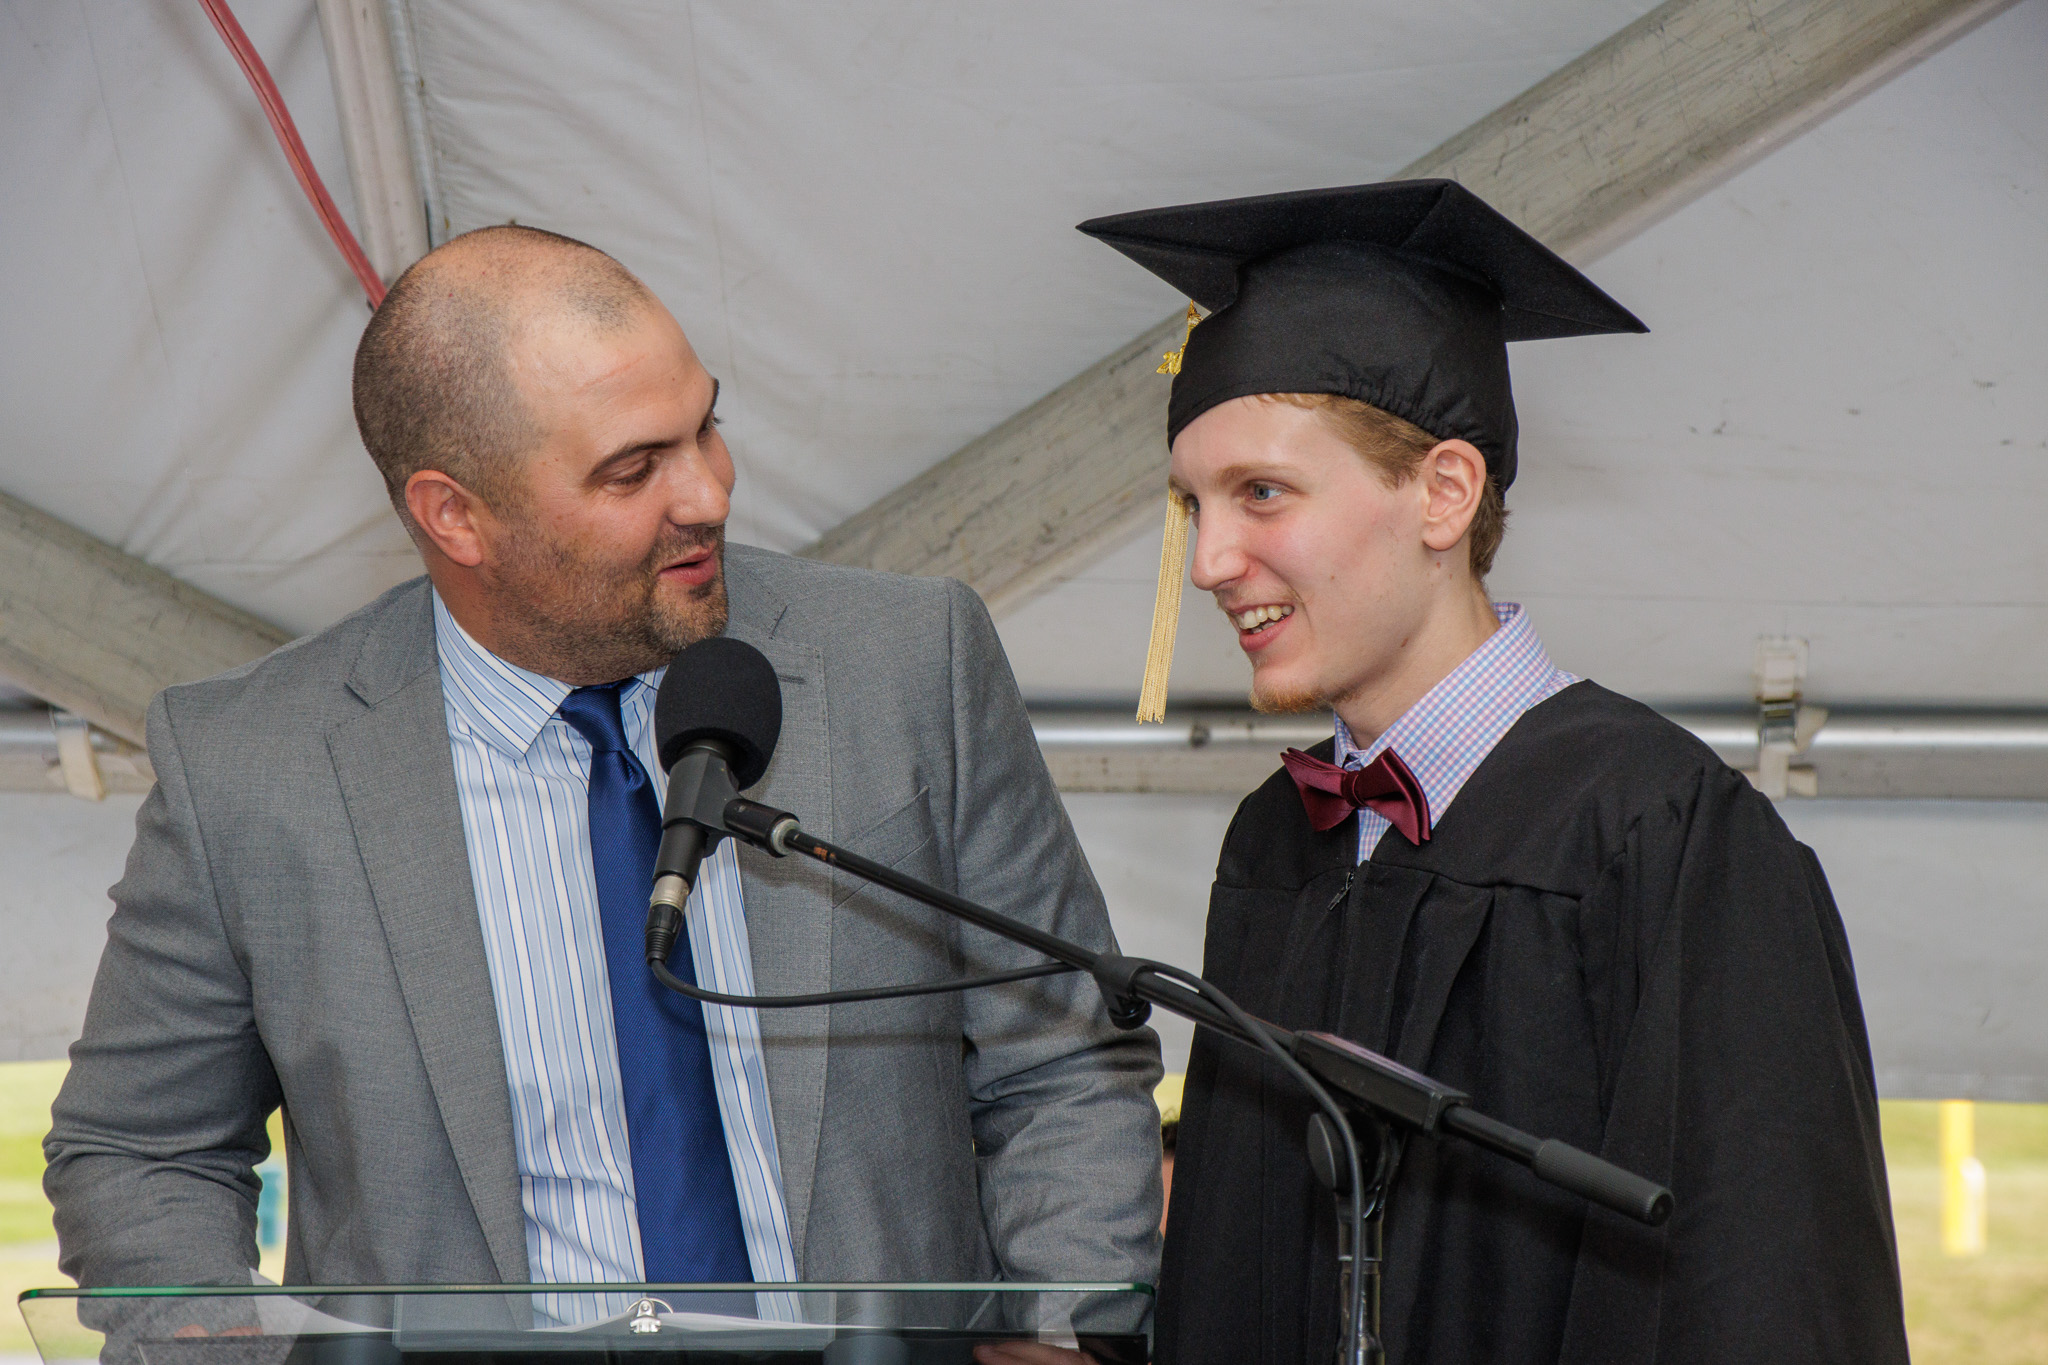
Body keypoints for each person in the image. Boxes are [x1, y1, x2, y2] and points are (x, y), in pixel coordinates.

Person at [44, 226, 1163, 1303]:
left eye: (706, 427)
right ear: (455, 516)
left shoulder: (907, 662)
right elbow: (140, 1151)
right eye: (633, 471)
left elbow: (1063, 1058)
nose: (709, 494)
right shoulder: (249, 767)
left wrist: (1066, 1333)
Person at [1081, 181, 1908, 1364]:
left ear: (1442, 494)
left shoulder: (1659, 829)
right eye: (1192, 504)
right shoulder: (1279, 838)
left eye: (1260, 493)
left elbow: (1764, 1280)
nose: (1211, 558)